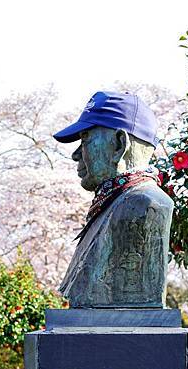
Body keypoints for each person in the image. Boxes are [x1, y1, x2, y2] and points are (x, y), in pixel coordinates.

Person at [53, 90, 174, 308]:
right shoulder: (111, 204)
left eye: (86, 139)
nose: (76, 154)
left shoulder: (145, 205)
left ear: (119, 145)